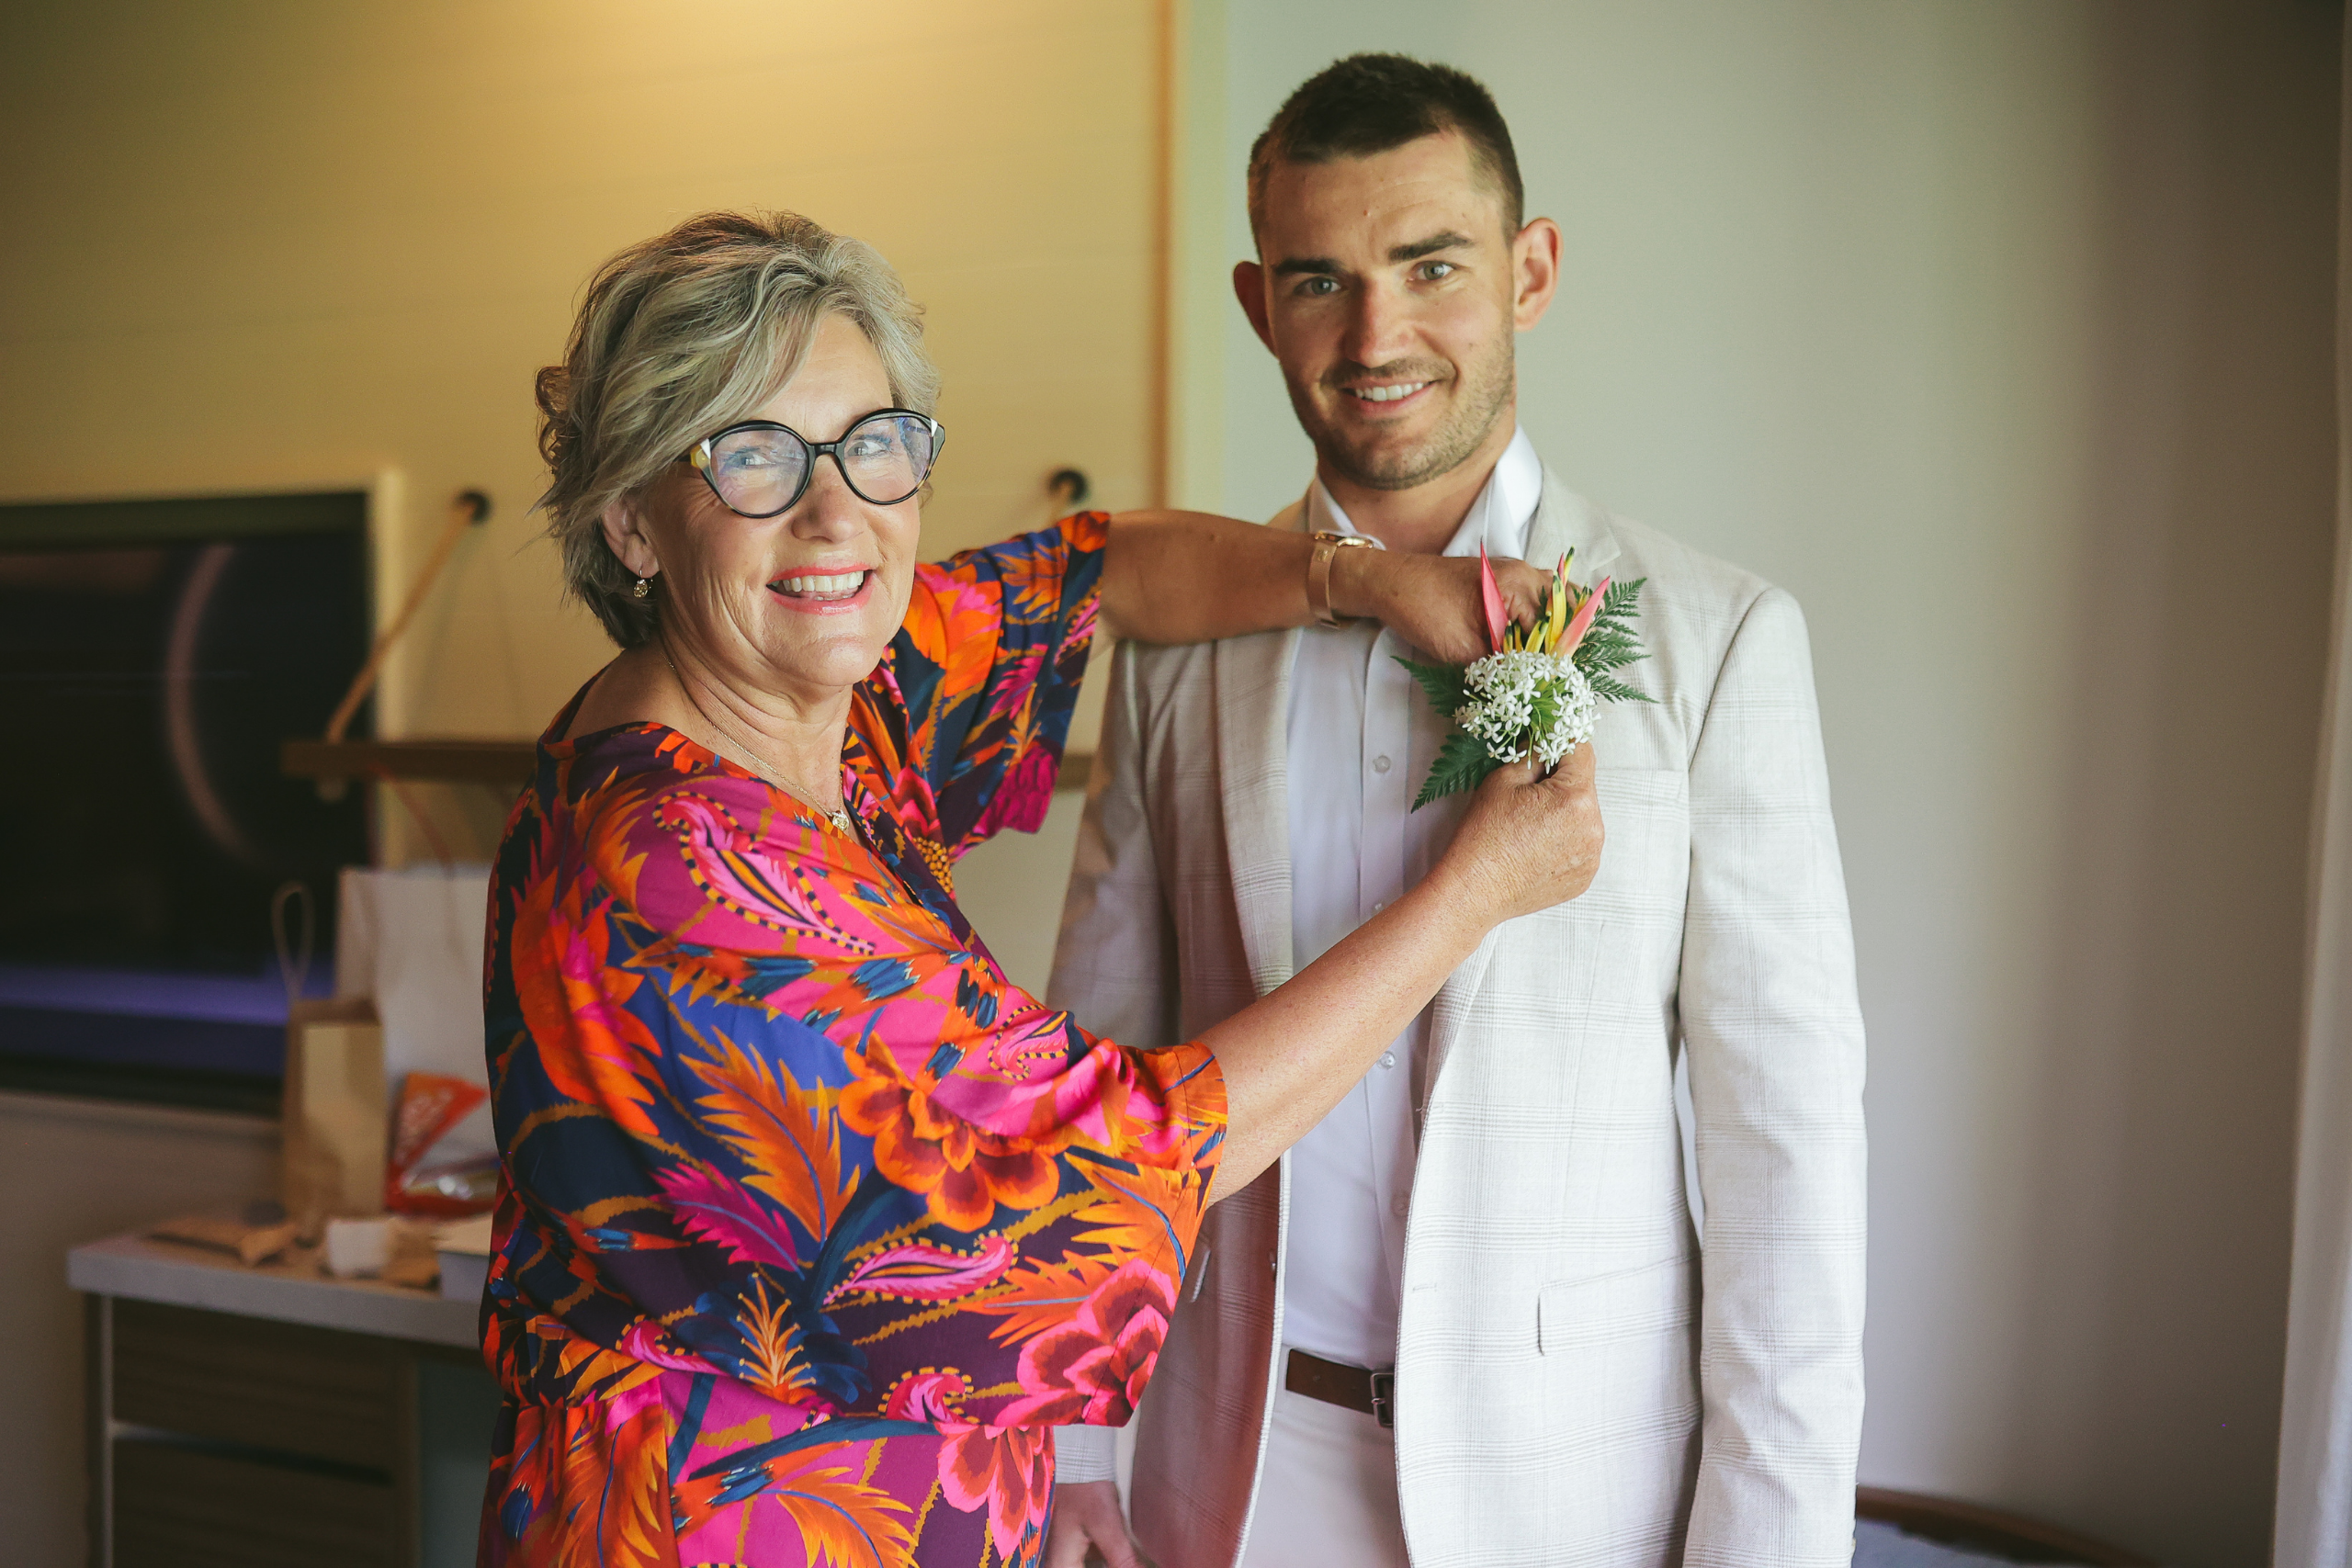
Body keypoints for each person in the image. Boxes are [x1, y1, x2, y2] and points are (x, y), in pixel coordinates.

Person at [475, 209, 1602, 1568]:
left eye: (875, 443)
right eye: (753, 455)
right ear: (632, 521)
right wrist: (1474, 891)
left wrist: (1362, 580)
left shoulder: (837, 691)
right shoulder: (678, 870)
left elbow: (1100, 571)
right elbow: (1114, 1170)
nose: (837, 512)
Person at [1046, 54, 1867, 1568]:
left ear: (1530, 269)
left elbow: (1788, 1161)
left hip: (1573, 1504)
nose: (1376, 336)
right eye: (1319, 282)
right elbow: (1099, 1062)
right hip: (1222, 1483)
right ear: (1256, 304)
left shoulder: (1716, 636)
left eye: (1431, 267)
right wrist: (1076, 1447)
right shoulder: (1176, 647)